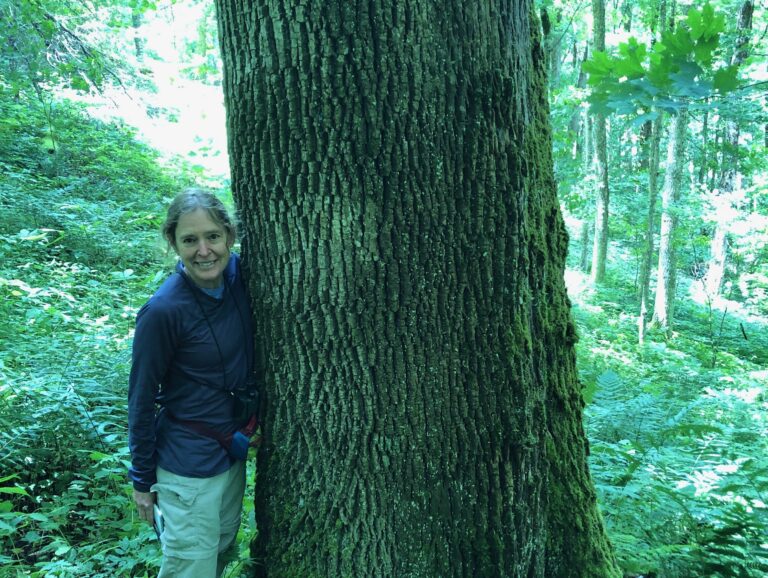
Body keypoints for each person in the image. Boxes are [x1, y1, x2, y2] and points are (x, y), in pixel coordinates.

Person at [128, 188, 257, 578]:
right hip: (187, 467)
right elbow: (141, 398)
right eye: (190, 240)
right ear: (174, 243)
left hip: (231, 455)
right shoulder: (164, 311)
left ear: (229, 236)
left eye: (212, 236)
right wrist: (142, 479)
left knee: (219, 552)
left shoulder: (240, 278)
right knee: (191, 568)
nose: (204, 250)